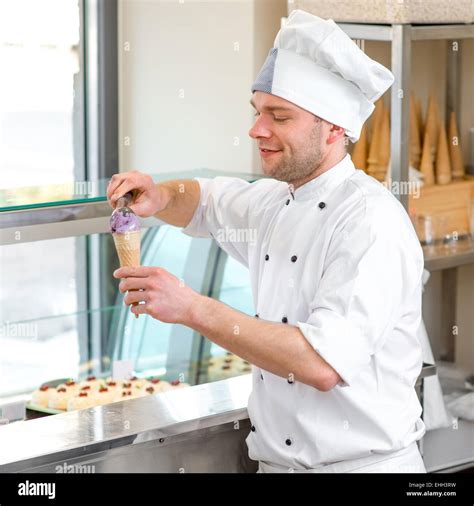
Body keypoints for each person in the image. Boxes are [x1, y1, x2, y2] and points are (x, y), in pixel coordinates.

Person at [107, 10, 426, 473]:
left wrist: (192, 308)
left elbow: (321, 364)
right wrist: (158, 195)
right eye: (257, 112)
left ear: (334, 128)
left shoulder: (371, 222)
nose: (257, 130)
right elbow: (205, 200)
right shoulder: (276, 201)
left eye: (279, 116)